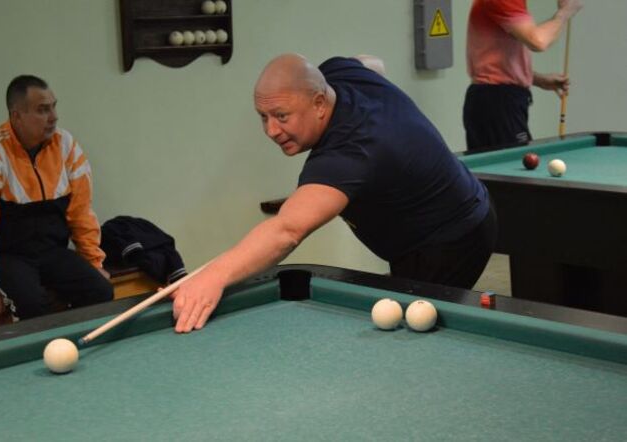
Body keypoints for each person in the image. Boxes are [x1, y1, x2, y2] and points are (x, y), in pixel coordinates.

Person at [171, 53, 497, 333]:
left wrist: (213, 276)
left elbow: (286, 231)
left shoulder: (350, 153)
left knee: (410, 335)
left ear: (318, 103)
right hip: (442, 213)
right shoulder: (339, 73)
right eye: (263, 117)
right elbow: (369, 62)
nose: (271, 130)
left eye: (282, 116)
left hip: (451, 238)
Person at [0, 75, 113, 320]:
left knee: (101, 291)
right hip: (9, 256)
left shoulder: (66, 146)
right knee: (32, 304)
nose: (54, 117)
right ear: (16, 116)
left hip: (52, 251)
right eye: (42, 110)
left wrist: (95, 263)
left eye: (54, 107)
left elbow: (81, 212)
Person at [463, 0, 583, 151]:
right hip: (498, 102)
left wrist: (537, 79)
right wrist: (564, 13)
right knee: (516, 162)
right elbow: (538, 42)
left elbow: (496, 57)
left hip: (494, 101)